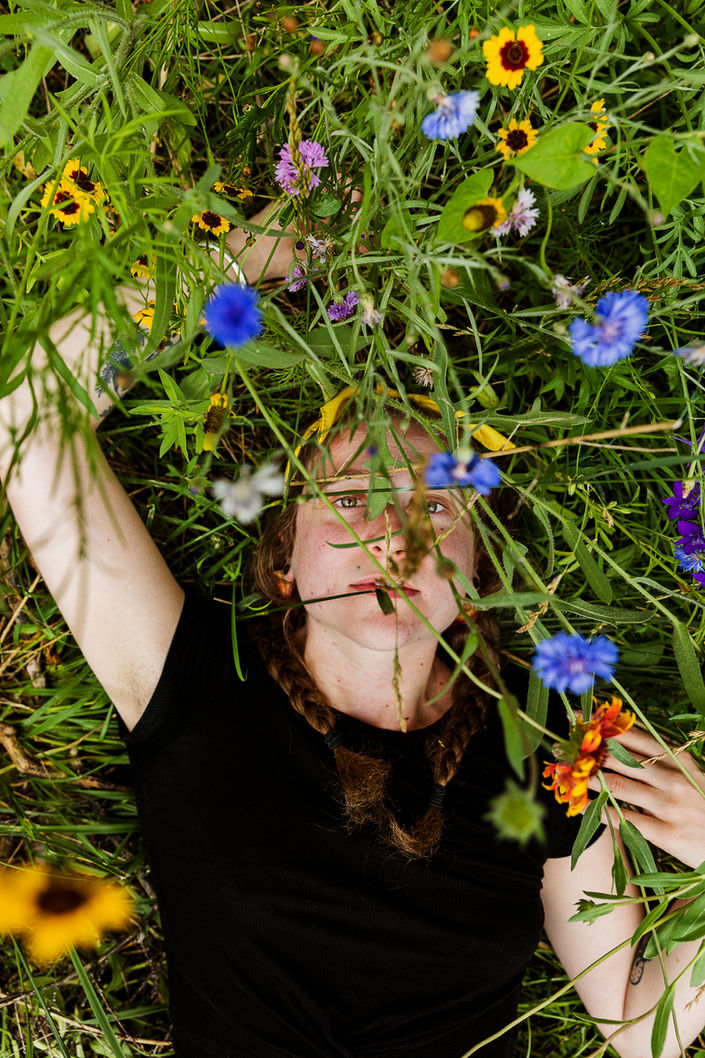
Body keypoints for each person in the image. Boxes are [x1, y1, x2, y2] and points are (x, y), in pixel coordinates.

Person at [2, 200, 705, 1058]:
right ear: (285, 559)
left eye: (435, 503)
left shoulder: (541, 740)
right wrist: (240, 265)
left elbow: (641, 1023)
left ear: (477, 576)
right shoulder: (194, 680)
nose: (393, 531)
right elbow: (29, 428)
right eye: (345, 499)